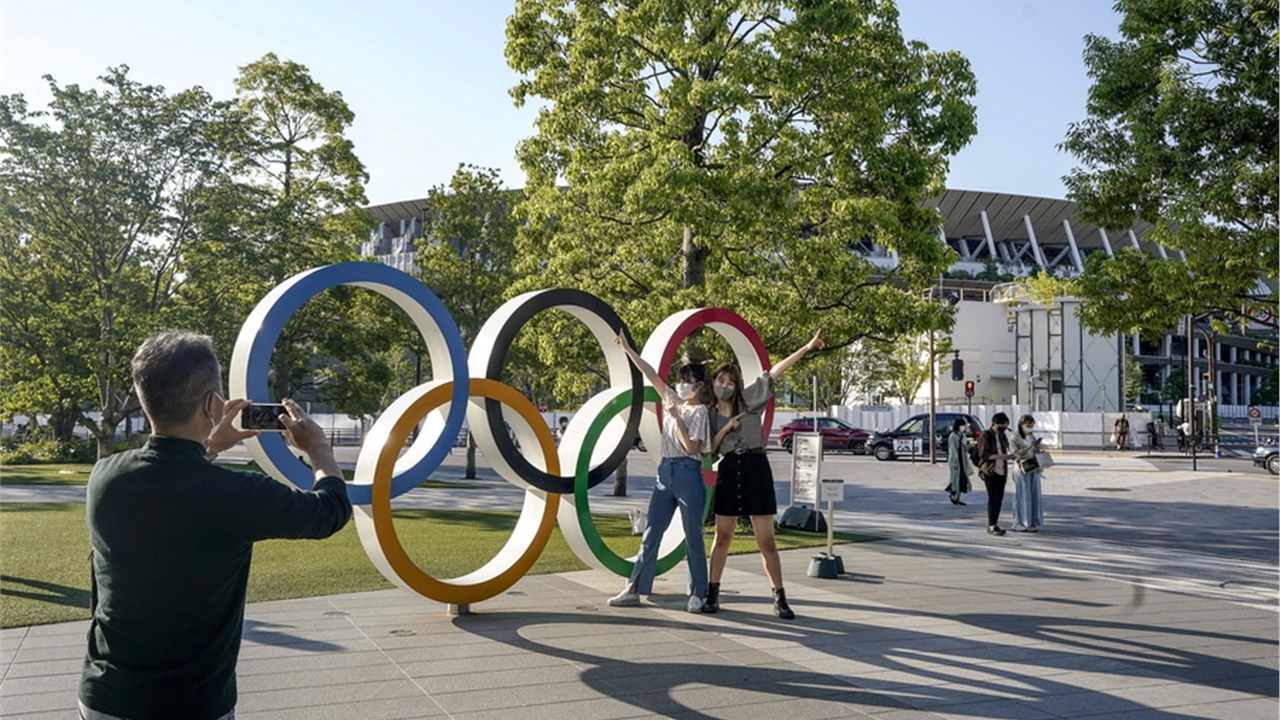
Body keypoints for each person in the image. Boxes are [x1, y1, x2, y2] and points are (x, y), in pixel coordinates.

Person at [79, 330, 352, 720]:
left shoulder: (105, 477)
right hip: (191, 705)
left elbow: (170, 482)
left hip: (104, 697)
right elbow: (330, 511)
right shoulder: (235, 494)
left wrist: (210, 447)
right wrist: (319, 449)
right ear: (212, 404)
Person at [704, 331, 825, 619]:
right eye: (721, 380)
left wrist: (806, 347)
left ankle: (780, 598)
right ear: (713, 383)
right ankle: (712, 593)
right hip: (729, 469)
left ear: (737, 386)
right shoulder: (707, 415)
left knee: (766, 539)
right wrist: (725, 428)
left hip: (757, 468)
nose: (725, 385)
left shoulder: (748, 401)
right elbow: (707, 449)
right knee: (723, 536)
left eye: (730, 382)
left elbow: (773, 372)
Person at [609, 331, 711, 613]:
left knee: (692, 535)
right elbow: (650, 373)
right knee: (651, 531)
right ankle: (634, 587)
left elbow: (692, 447)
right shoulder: (670, 397)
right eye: (679, 380)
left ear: (699, 385)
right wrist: (629, 350)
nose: (680, 386)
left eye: (687, 382)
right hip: (664, 472)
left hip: (688, 473)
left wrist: (676, 417)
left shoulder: (700, 411)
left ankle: (697, 592)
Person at [975, 412, 1014, 536]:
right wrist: (1002, 456)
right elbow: (984, 455)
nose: (1003, 428)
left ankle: (995, 523)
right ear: (994, 423)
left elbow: (1007, 449)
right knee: (993, 497)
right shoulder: (985, 436)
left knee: (999, 499)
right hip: (990, 470)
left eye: (1005, 426)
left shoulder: (1002, 437)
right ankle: (991, 525)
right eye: (1001, 425)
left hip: (1002, 470)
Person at [1009, 414, 1044, 533]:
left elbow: (1035, 450)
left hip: (1033, 467)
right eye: (1028, 425)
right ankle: (1019, 522)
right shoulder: (1015, 437)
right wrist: (1029, 447)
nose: (1030, 428)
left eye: (1032, 426)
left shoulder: (1031, 436)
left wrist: (1038, 447)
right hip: (1022, 468)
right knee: (1022, 495)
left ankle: (1032, 522)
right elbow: (1014, 454)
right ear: (1021, 425)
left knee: (1034, 495)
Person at [946, 417, 973, 506]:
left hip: (963, 459)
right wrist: (954, 460)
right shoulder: (953, 436)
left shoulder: (963, 436)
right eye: (962, 425)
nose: (963, 427)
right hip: (955, 459)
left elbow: (965, 447)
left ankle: (958, 497)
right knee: (955, 478)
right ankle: (954, 495)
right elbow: (952, 450)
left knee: (962, 478)